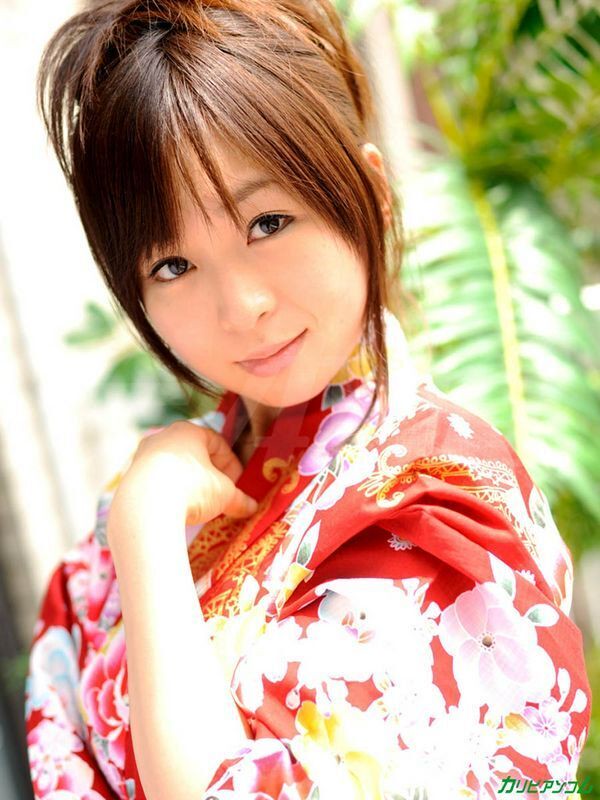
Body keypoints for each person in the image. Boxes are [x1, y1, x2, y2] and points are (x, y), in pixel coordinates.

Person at [24, 1, 592, 798]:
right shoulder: (178, 478)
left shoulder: (439, 498)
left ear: (371, 192)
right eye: (172, 266)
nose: (242, 307)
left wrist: (145, 533)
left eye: (268, 222)